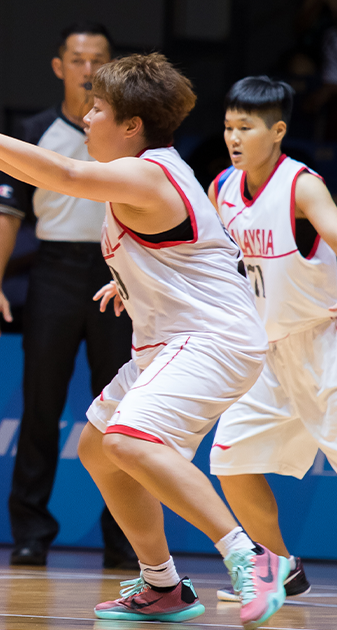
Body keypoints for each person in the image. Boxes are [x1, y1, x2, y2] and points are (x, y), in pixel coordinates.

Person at [0, 54, 289, 628]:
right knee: (97, 445)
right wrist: (132, 282)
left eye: (98, 108)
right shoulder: (146, 174)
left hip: (211, 338)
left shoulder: (148, 173)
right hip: (174, 337)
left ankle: (253, 558)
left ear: (132, 125)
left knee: (131, 441)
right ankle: (162, 585)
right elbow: (186, 250)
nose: (86, 118)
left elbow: (62, 176)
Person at [0, 22, 134, 569]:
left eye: (98, 60)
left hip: (118, 274)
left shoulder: (127, 132)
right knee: (41, 407)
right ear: (58, 66)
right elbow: (7, 216)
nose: (88, 69)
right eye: (78, 59)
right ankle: (31, 534)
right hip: (55, 272)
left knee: (120, 413)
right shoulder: (36, 129)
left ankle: (125, 540)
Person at [208, 76, 337, 603]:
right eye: (227, 127)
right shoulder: (222, 189)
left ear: (278, 130)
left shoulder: (301, 186)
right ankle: (277, 567)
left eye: (246, 127)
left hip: (321, 343)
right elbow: (204, 256)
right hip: (264, 352)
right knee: (230, 461)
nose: (234, 138)